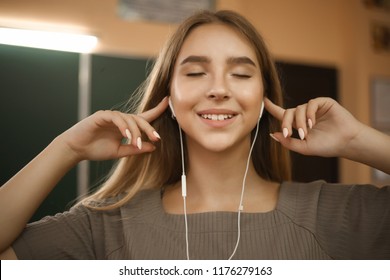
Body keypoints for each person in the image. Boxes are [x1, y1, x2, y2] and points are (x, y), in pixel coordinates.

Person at [0, 10, 389, 260]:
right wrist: (65, 148)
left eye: (240, 73)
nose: (219, 88)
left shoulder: (335, 217)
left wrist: (358, 141)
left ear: (263, 97)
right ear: (169, 97)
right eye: (195, 72)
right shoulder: (105, 227)